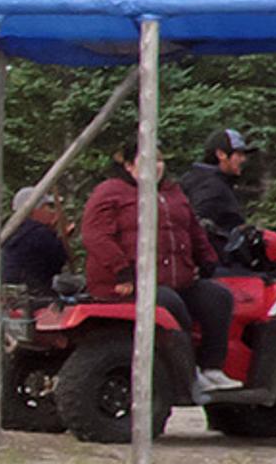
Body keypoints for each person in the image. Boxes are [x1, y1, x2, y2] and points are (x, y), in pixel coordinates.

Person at [83, 154, 234, 390]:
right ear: (129, 165)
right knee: (171, 305)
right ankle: (187, 371)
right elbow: (96, 236)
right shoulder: (110, 192)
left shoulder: (172, 193)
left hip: (176, 279)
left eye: (160, 159)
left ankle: (212, 368)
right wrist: (121, 270)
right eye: (148, 159)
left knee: (218, 298)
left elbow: (192, 229)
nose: (157, 165)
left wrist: (207, 260)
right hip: (127, 283)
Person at [181, 126, 256, 264]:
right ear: (221, 154)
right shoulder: (211, 186)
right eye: (238, 154)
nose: (243, 159)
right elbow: (196, 225)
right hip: (218, 265)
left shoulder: (205, 179)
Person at [1, 193, 71, 296]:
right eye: (48, 207)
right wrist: (57, 235)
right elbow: (58, 261)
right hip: (34, 293)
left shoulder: (9, 230)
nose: (53, 212)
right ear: (35, 210)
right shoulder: (39, 233)